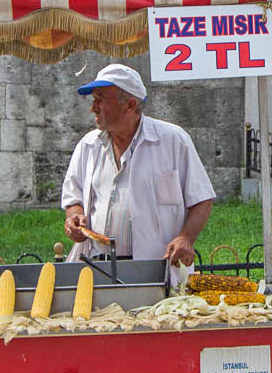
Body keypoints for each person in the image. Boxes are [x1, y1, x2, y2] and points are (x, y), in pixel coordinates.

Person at [61, 63, 215, 267]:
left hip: (157, 266)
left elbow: (202, 199)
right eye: (94, 100)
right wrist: (74, 217)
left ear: (130, 105)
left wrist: (186, 238)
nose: (93, 107)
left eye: (100, 99)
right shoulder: (88, 145)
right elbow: (74, 198)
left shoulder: (173, 140)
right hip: (96, 265)